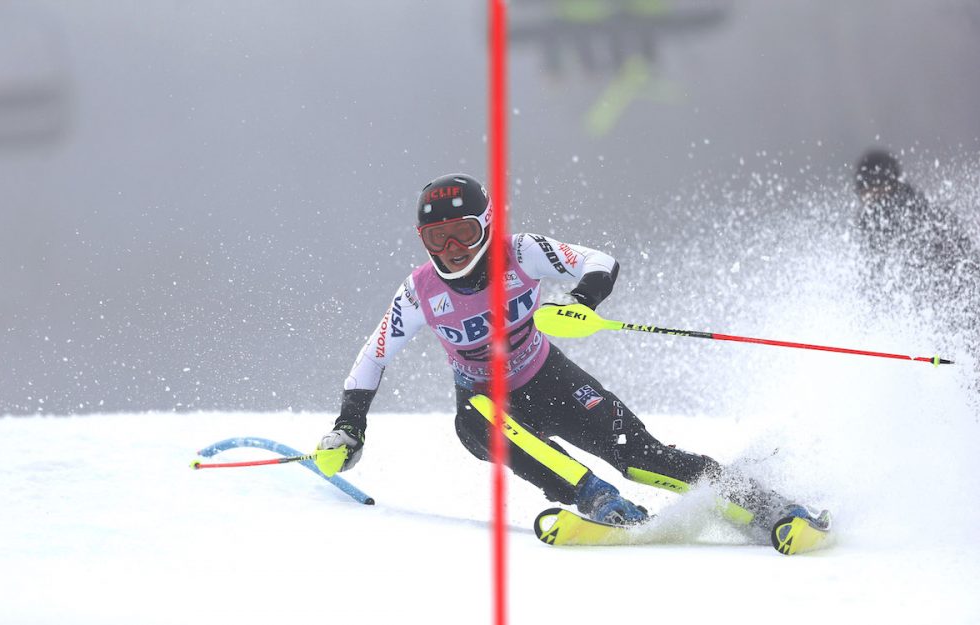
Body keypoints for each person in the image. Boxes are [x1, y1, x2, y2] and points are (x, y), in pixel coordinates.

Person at [315, 172, 817, 537]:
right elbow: (372, 357)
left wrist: (581, 302)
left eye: (463, 232)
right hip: (487, 405)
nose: (450, 248)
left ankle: (767, 507)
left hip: (552, 380)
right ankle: (598, 501)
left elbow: (600, 262)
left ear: (486, 225)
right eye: (435, 237)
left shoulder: (522, 251)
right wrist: (350, 426)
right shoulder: (419, 292)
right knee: (476, 418)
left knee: (643, 459)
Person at [853, 148, 978, 303]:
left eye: (874, 191)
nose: (870, 199)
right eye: (865, 193)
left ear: (890, 186)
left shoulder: (924, 217)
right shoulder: (872, 222)